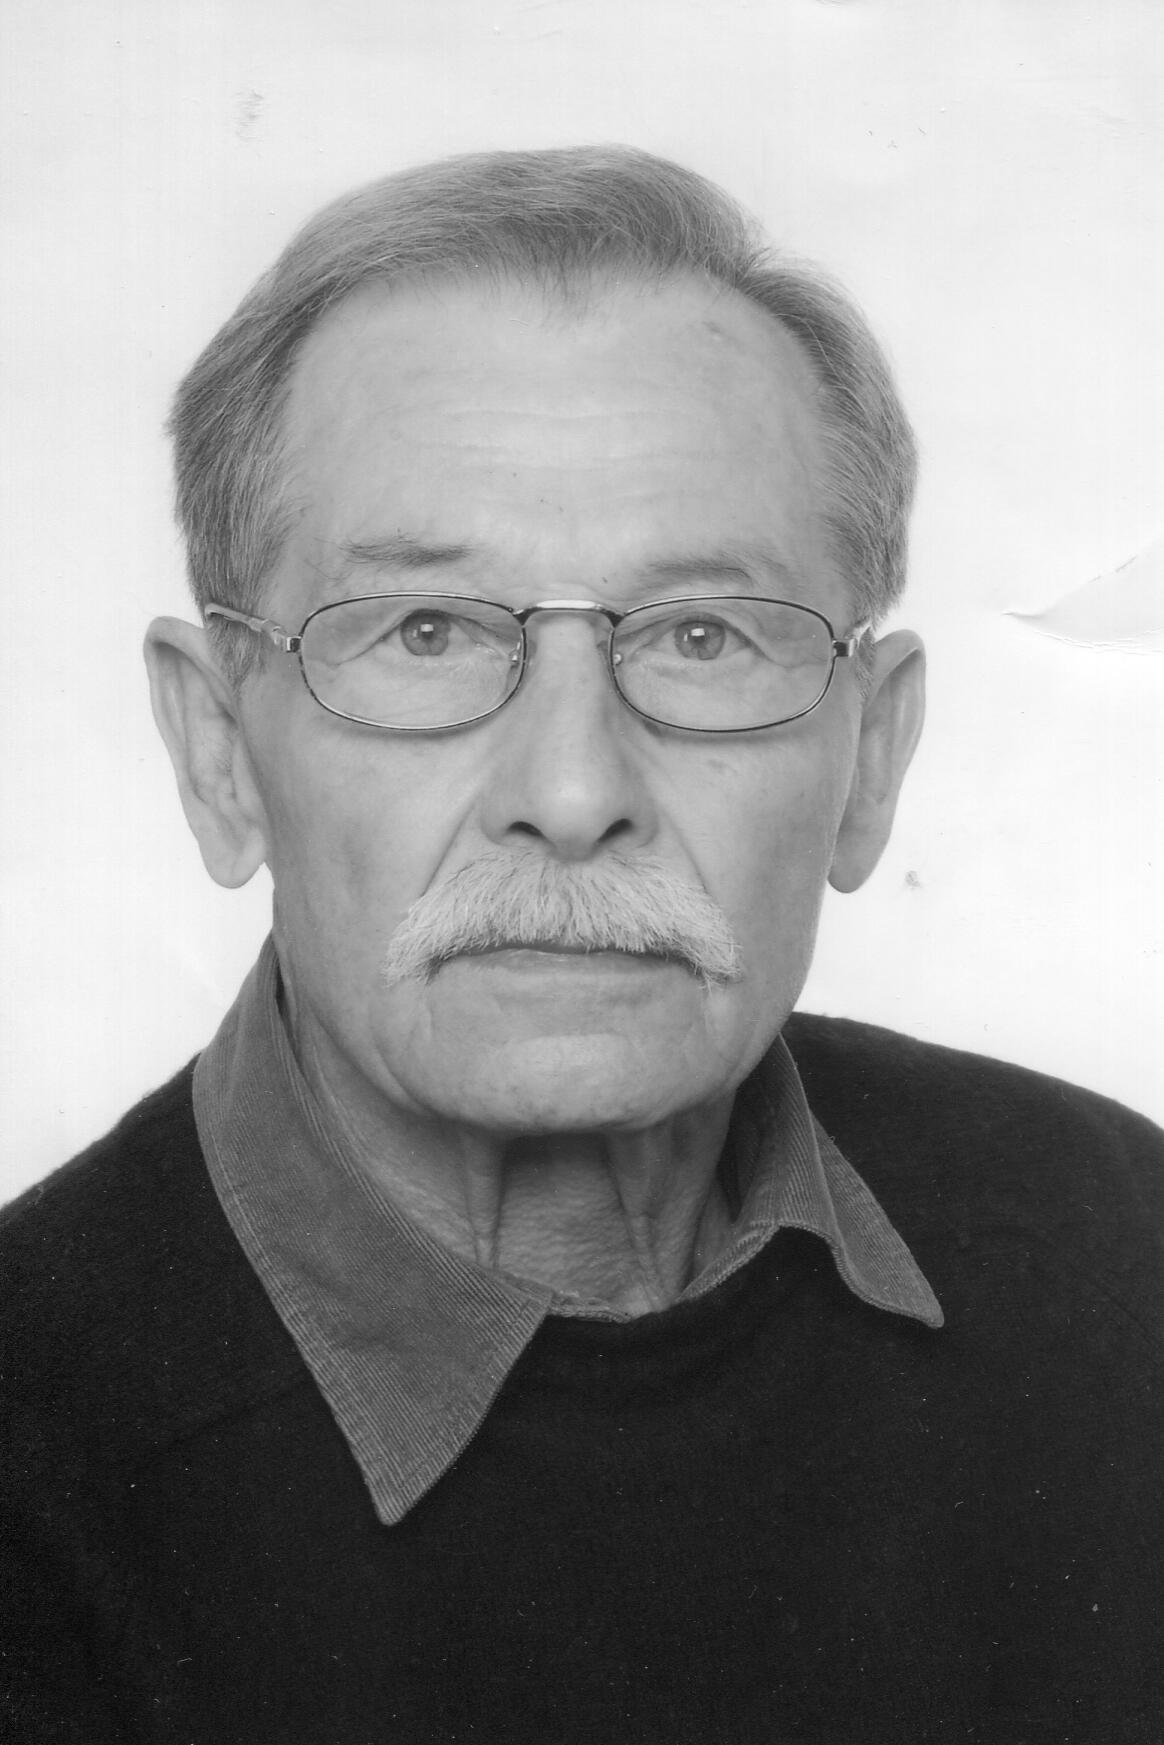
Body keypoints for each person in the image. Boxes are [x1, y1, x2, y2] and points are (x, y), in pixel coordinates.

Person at [2, 145, 1161, 1744]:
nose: (570, 792)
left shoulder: (1125, 1251)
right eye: (425, 632)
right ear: (218, 753)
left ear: (871, 759)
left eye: (703, 636)